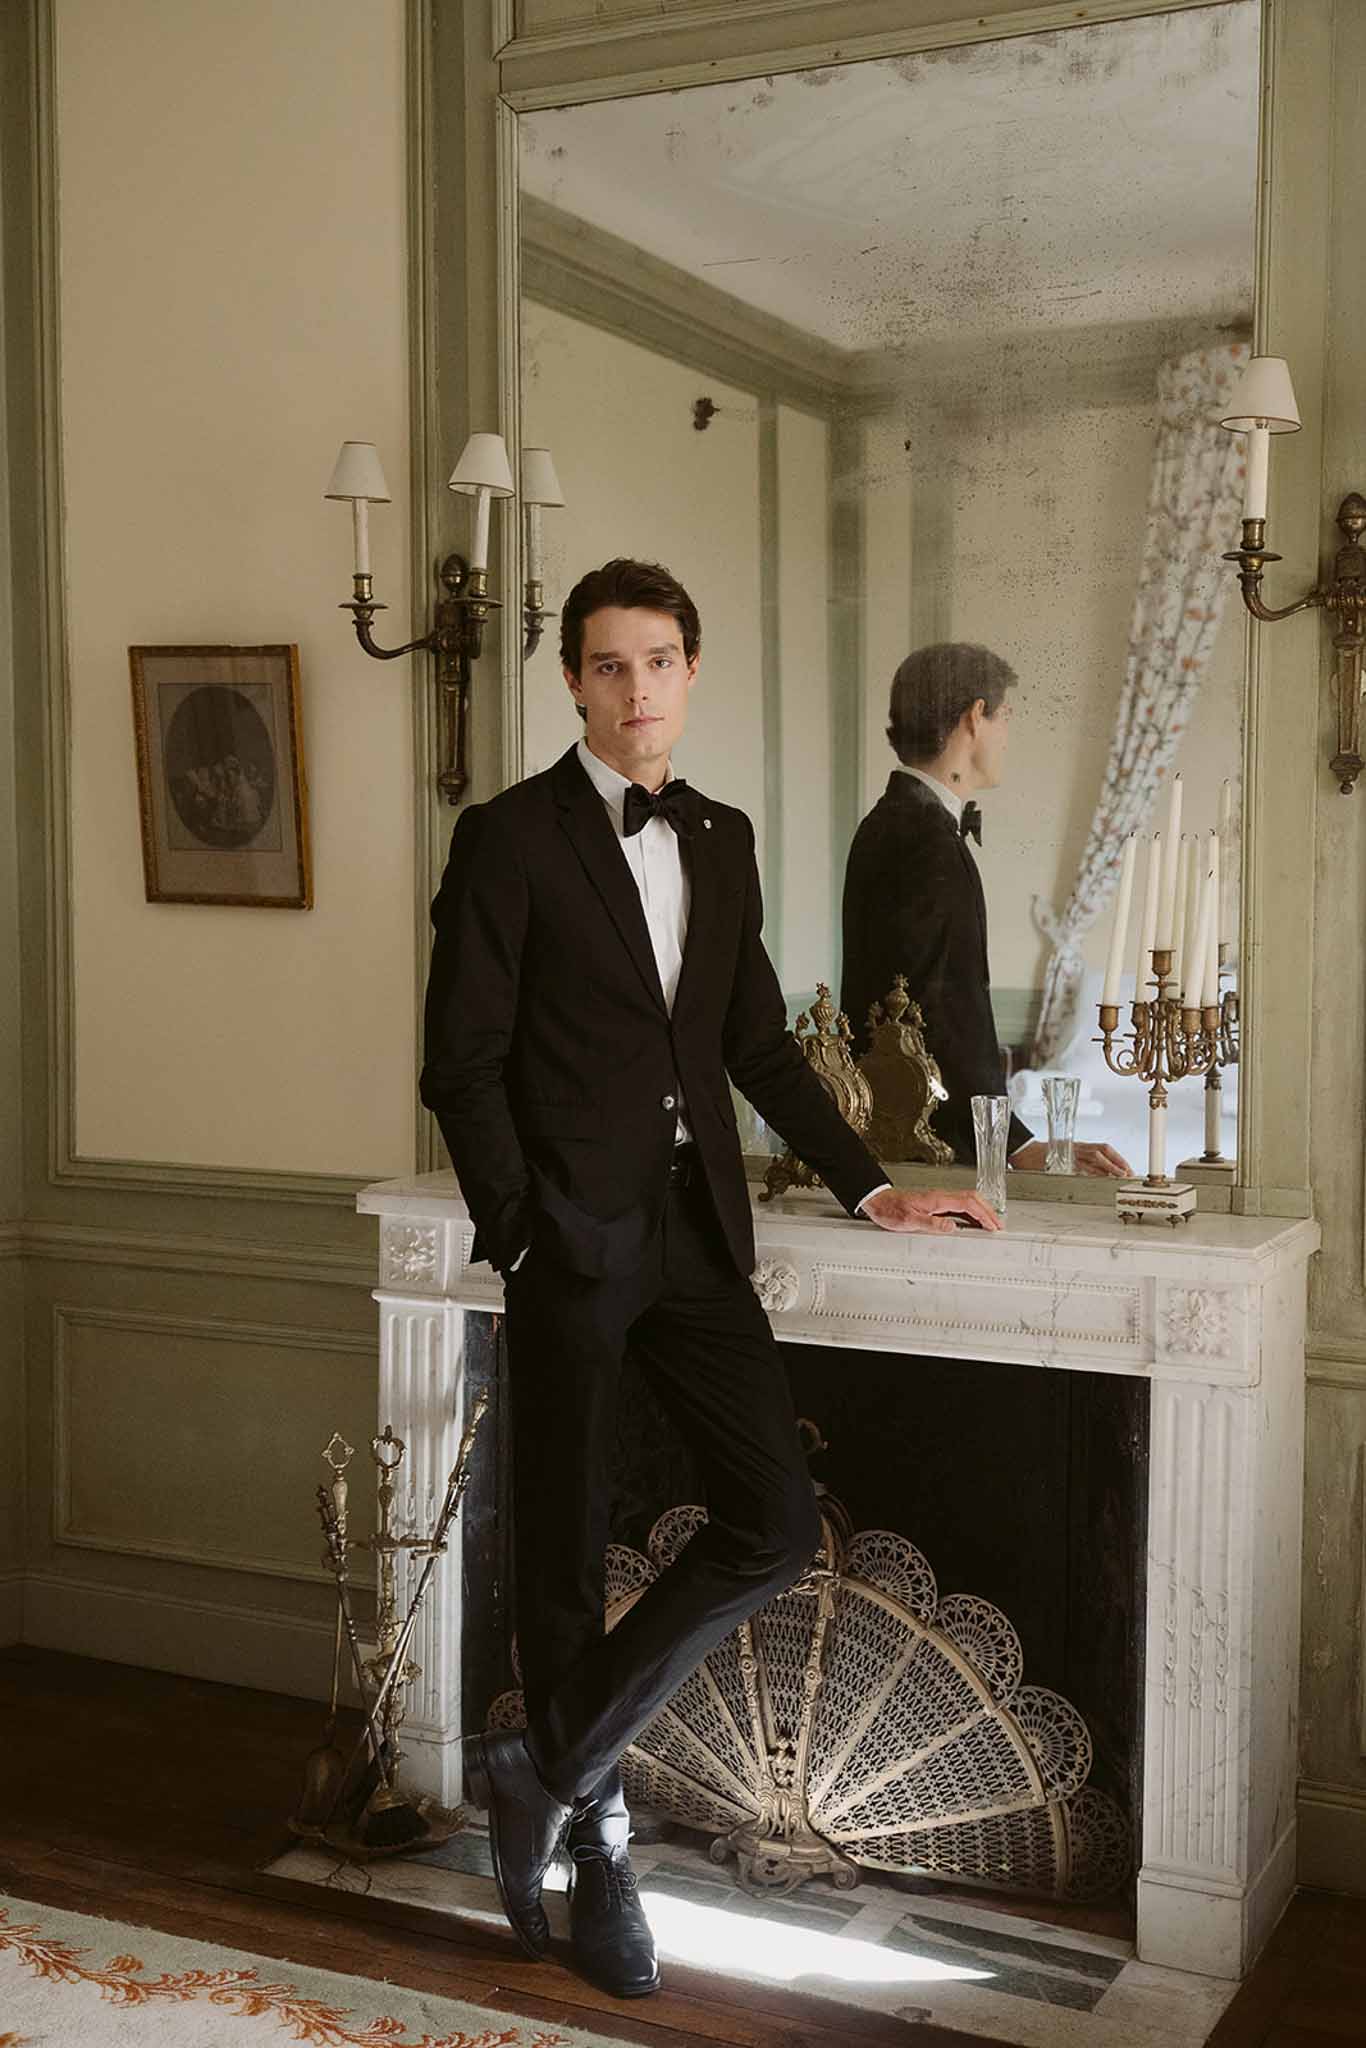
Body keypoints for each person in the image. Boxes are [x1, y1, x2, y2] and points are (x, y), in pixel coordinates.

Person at [420, 559, 1000, 1999]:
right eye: (607, 666)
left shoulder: (722, 838)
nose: (635, 691)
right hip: (569, 1239)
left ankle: (540, 1757)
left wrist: (873, 1186)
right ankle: (597, 1845)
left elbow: (749, 1047)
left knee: (771, 1515)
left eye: (659, 662)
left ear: (691, 674)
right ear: (572, 680)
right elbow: (461, 1063)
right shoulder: (508, 838)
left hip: (698, 1235)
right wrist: (521, 1226)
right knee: (557, 1551)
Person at [841, 642, 1130, 1178]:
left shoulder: (892, 823)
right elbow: (941, 1011)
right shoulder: (925, 838)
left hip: (903, 1129)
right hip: (933, 1148)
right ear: (975, 717)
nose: (1005, 735)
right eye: (1005, 717)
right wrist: (1017, 1146)